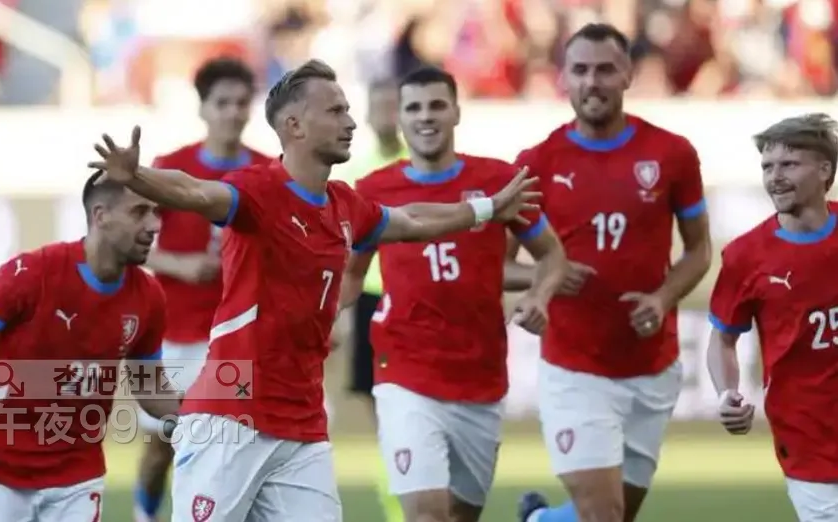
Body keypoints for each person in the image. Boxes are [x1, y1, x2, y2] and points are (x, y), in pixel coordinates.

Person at [87, 58, 539, 522]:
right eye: (336, 111)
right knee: (156, 450)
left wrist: (486, 209)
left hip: (302, 427)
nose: (350, 122)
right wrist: (137, 177)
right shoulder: (259, 191)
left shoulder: (345, 203)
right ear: (294, 125)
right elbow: (196, 192)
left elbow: (411, 220)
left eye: (348, 110)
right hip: (232, 417)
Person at [342, 66, 567, 522]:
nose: (426, 116)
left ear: (457, 112)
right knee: (426, 515)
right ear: (400, 118)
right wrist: (317, 318)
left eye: (436, 105)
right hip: (404, 372)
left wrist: (539, 296)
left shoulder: (500, 181)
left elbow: (552, 254)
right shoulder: (373, 190)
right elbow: (351, 274)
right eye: (414, 108)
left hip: (479, 375)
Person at [515, 23, 712, 522]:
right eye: (580, 70)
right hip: (574, 368)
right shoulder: (537, 163)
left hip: (652, 364)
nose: (592, 81)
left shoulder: (671, 154)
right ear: (563, 78)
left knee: (616, 515)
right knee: (603, 514)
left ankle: (541, 521)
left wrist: (662, 299)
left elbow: (698, 251)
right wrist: (545, 282)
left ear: (628, 75)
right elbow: (496, 264)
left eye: (605, 69)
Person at [0, 171, 181, 522]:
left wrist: (201, 413)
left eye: (156, 212)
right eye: (139, 212)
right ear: (100, 215)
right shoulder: (33, 273)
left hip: (78, 477)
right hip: (1, 470)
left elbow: (149, 386)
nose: (154, 225)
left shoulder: (149, 297)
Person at [133, 56, 271, 522]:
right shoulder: (171, 168)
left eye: (241, 102)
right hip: (173, 333)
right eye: (222, 102)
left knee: (232, 451)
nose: (233, 112)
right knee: (161, 447)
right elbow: (130, 243)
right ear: (203, 108)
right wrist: (180, 264)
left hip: (237, 340)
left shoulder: (267, 172)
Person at [707, 113, 838, 522]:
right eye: (767, 167)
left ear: (824, 170)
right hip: (808, 437)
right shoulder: (746, 257)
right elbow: (722, 339)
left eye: (789, 164)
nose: (775, 177)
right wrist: (726, 394)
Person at [334, 78, 408, 522]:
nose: (386, 115)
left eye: (393, 105)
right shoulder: (356, 173)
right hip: (371, 298)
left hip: (414, 294)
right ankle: (396, 504)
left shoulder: (419, 164)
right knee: (382, 408)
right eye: (379, 105)